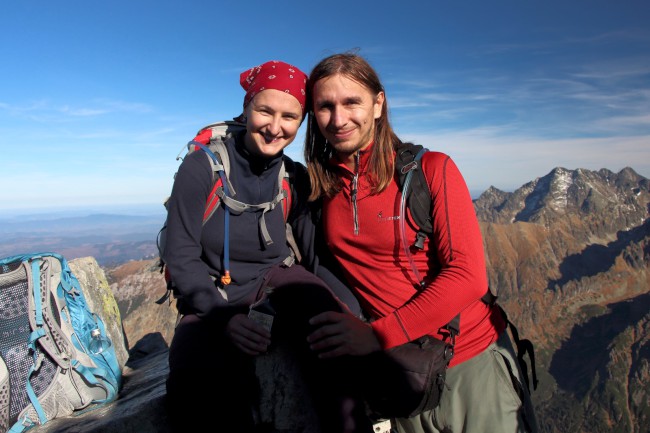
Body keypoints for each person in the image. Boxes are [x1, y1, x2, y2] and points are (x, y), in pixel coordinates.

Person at [304, 53, 539, 433]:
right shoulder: (321, 188)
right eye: (325, 106)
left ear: (378, 105)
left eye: (352, 102)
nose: (339, 118)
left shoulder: (431, 170)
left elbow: (468, 276)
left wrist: (376, 335)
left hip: (470, 362)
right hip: (401, 375)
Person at [163, 60, 370, 433]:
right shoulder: (201, 168)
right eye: (265, 111)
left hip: (276, 287)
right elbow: (180, 255)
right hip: (215, 295)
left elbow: (315, 258)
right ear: (247, 107)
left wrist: (352, 314)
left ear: (301, 121)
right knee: (193, 379)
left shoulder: (293, 177)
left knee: (329, 331)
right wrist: (224, 319)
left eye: (290, 117)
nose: (276, 127)